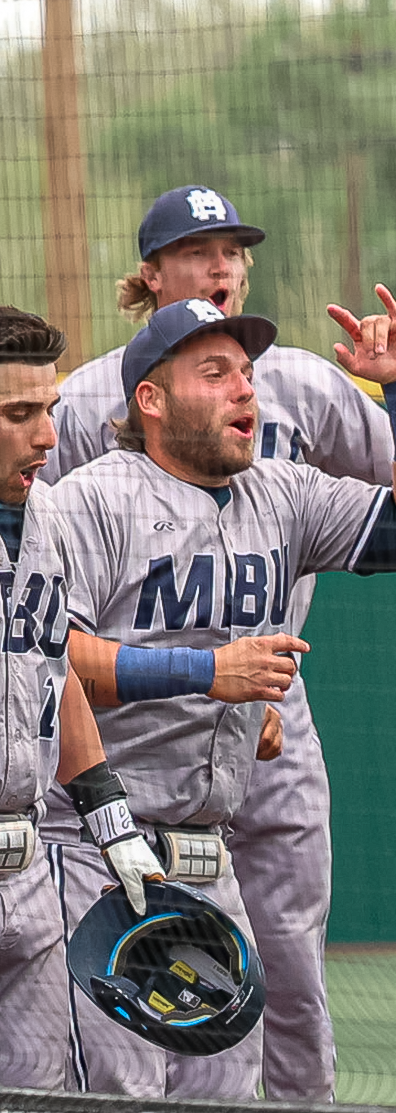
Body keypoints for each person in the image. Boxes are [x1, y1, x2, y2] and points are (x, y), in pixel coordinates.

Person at [41, 289, 396, 1098]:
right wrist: (204, 675)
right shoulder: (91, 498)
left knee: (228, 1096)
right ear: (151, 400)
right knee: (119, 1095)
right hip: (92, 850)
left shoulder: (285, 493)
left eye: (247, 371)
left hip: (209, 855)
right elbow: (53, 655)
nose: (245, 388)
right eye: (215, 372)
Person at [0, 308, 163, 1090]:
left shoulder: (48, 517)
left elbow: (56, 674)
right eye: (18, 414)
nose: (46, 437)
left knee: (40, 1092)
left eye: (50, 411)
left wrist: (116, 827)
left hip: (28, 871)